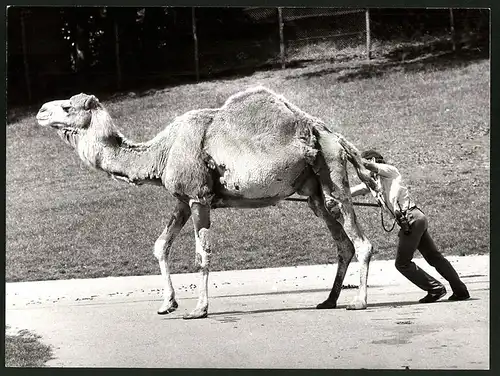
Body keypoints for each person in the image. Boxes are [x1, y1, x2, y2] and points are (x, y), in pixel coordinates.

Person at [350, 149, 470, 303]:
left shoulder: (390, 171)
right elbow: (353, 191)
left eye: (365, 166)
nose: (363, 171)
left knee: (402, 264)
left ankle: (435, 289)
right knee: (435, 257)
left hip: (411, 219)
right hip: (414, 219)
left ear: (373, 160)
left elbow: (369, 166)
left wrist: (353, 157)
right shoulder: (374, 183)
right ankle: (461, 291)